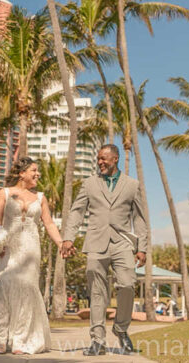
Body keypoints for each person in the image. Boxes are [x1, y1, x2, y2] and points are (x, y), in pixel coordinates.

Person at [60, 144, 149, 356]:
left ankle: (121, 329)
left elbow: (140, 218)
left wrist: (142, 247)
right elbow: (76, 211)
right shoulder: (89, 183)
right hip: (95, 244)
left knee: (127, 284)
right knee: (97, 293)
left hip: (123, 243)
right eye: (98, 159)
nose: (100, 162)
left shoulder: (132, 185)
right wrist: (68, 238)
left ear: (115, 158)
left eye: (103, 159)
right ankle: (97, 341)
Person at [0, 156, 65, 354]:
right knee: (4, 287)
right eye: (34, 170)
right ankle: (0, 339)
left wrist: (61, 243)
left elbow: (49, 224)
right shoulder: (5, 193)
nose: (38, 174)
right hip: (8, 248)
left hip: (30, 248)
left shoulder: (40, 197)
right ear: (22, 173)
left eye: (38, 171)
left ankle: (20, 340)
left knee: (27, 291)